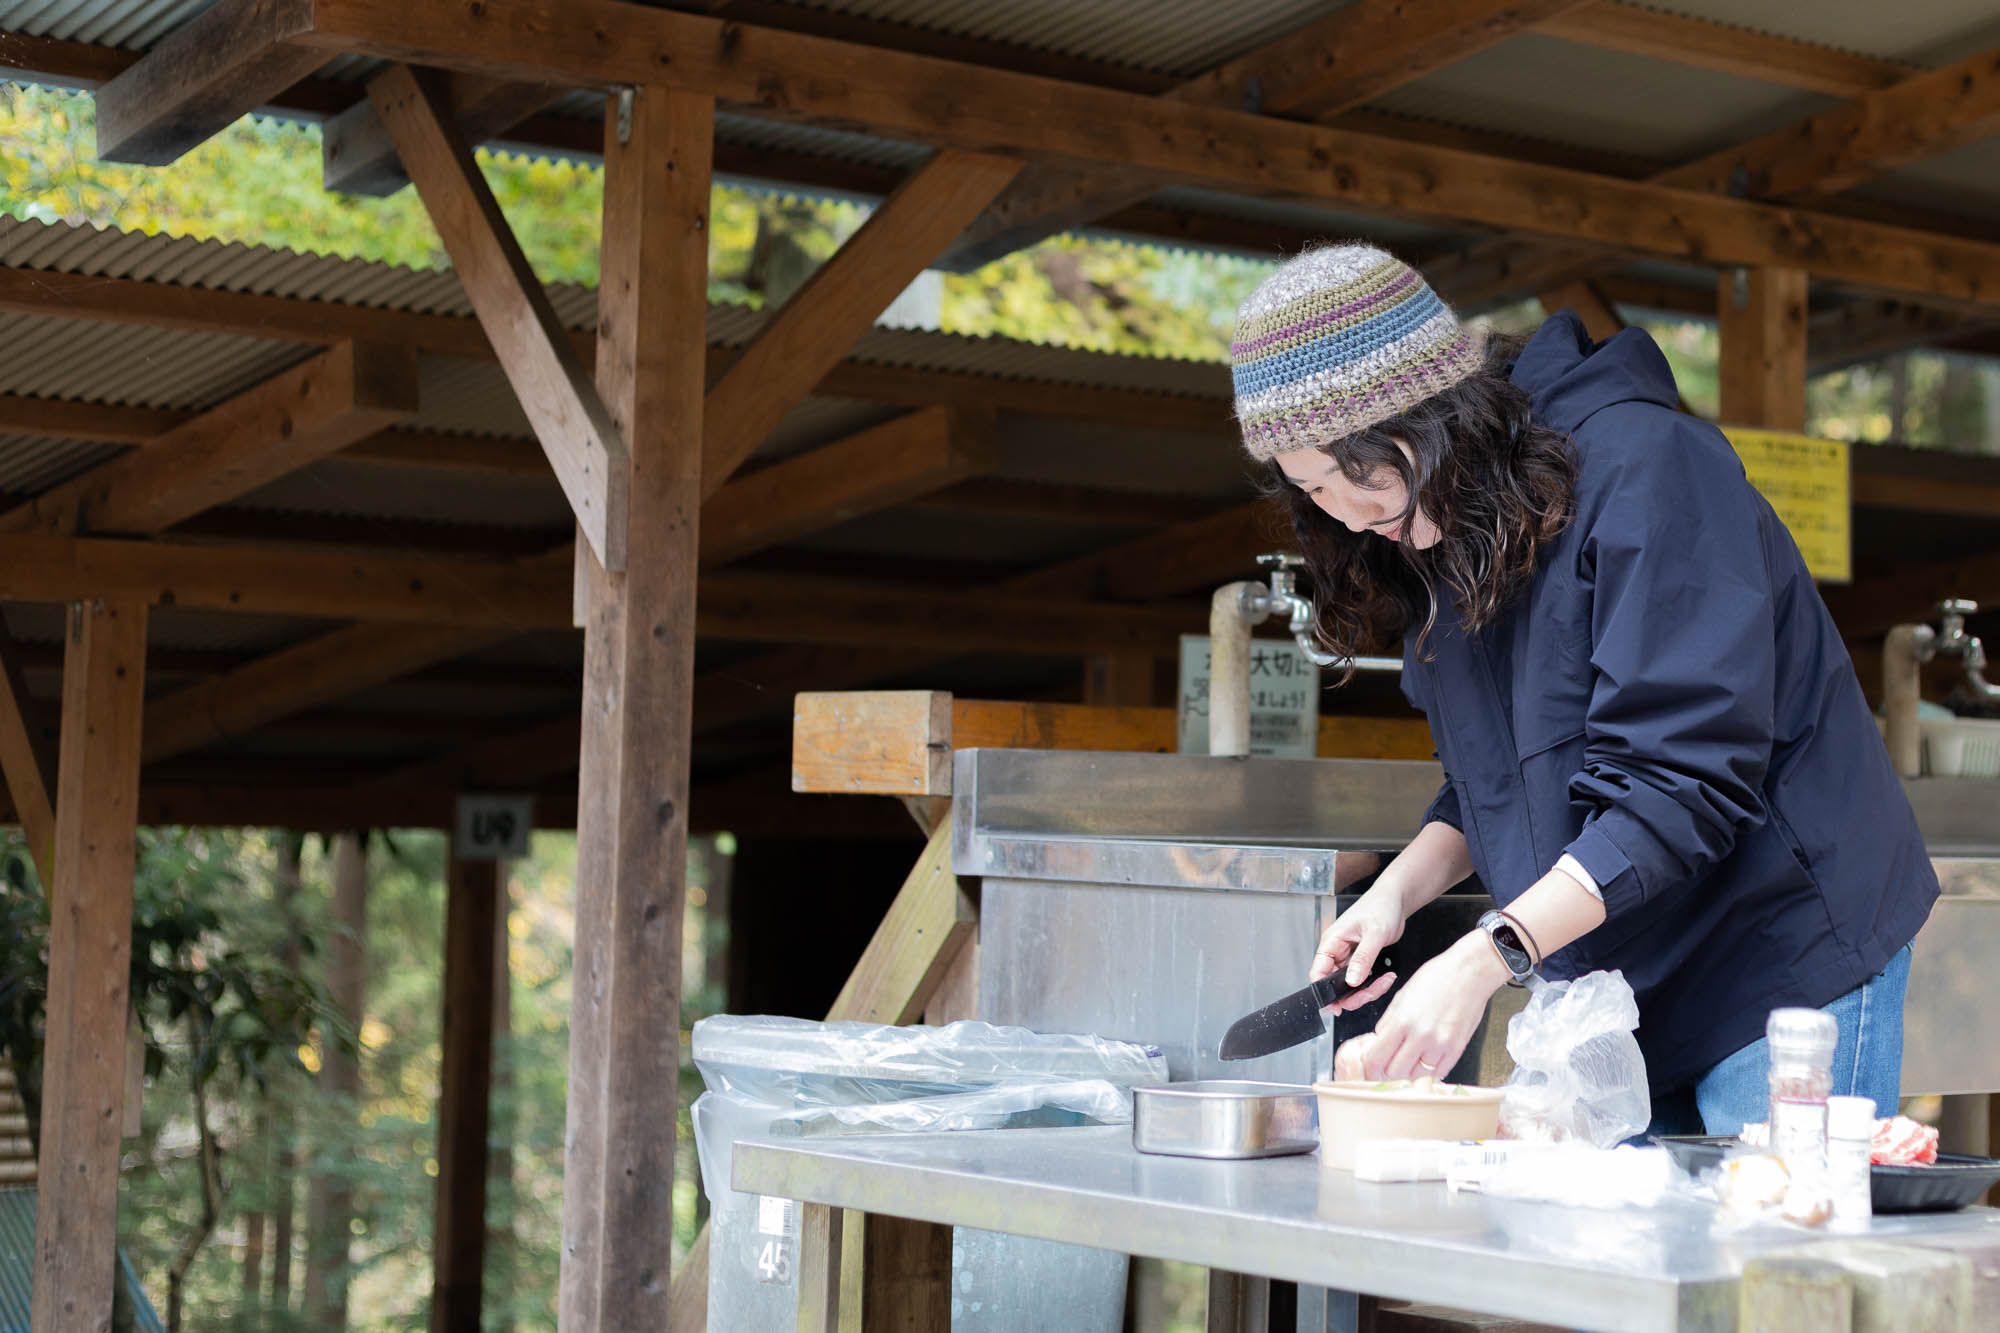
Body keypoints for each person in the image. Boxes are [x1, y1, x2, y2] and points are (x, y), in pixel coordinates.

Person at [1228, 242, 1938, 1134]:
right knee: (1644, 1260)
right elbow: (1492, 784)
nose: (1347, 513)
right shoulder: (1445, 531)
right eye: (1311, 489)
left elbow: (1681, 786)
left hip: (1780, 956)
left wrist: (1487, 954)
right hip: (1628, 975)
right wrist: (1396, 896)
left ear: (1430, 412)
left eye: (1353, 471)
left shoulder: (1647, 469)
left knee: (1778, 1254)